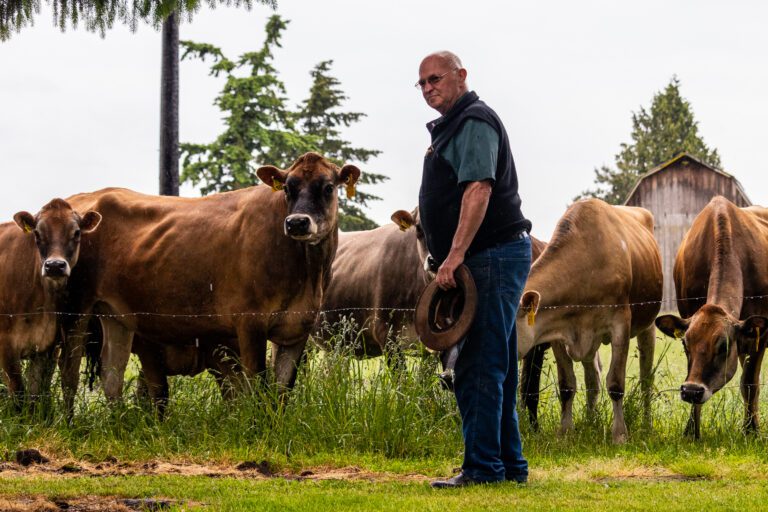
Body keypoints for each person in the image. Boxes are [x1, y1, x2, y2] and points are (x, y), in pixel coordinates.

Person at [416, 51, 532, 488]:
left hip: (490, 256)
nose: (428, 88)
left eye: (436, 79)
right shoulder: (456, 125)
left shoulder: (473, 121)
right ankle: (507, 466)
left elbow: (479, 189)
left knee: (478, 367)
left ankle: (483, 469)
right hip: (492, 256)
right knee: (496, 363)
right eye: (422, 83)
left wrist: (454, 254)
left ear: (461, 76)